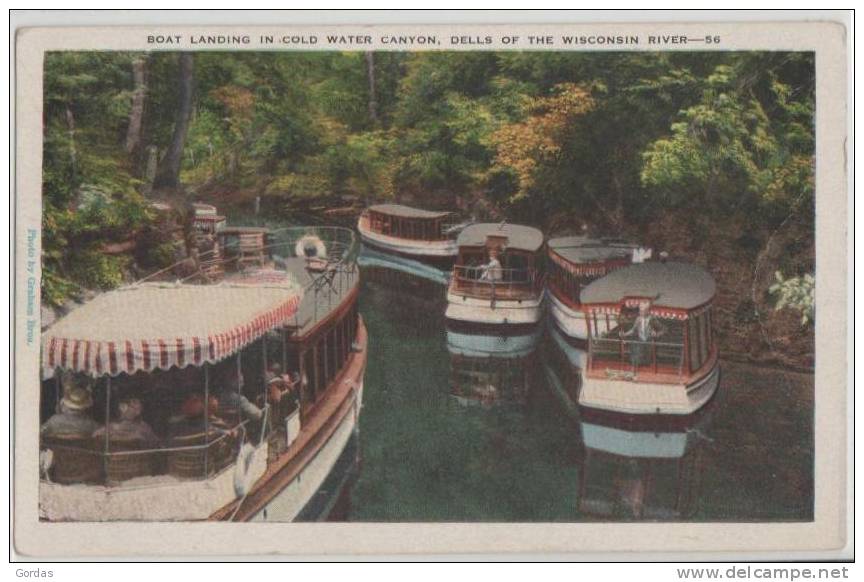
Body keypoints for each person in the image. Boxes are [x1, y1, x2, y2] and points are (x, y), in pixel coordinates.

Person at [92, 397, 159, 447]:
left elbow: (155, 442)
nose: (138, 413)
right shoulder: (111, 426)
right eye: (134, 408)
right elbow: (95, 435)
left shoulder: (143, 427)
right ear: (122, 407)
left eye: (139, 409)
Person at [621, 302, 666, 369]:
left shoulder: (652, 319)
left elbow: (663, 329)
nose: (640, 312)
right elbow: (633, 330)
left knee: (647, 362)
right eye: (640, 310)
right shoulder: (638, 319)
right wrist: (625, 334)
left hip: (649, 342)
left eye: (642, 311)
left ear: (647, 311)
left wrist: (656, 334)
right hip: (640, 341)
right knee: (636, 355)